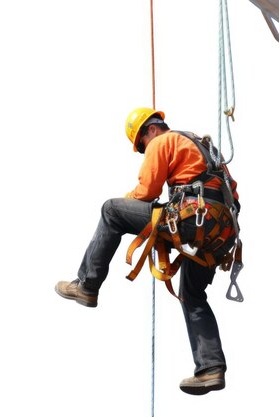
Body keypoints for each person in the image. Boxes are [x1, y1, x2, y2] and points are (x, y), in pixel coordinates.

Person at [55, 107, 240, 395]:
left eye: (141, 146)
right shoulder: (203, 148)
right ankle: (211, 368)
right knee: (192, 295)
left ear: (150, 131)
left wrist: (128, 204)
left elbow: (147, 191)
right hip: (220, 231)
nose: (145, 151)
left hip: (195, 217)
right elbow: (231, 193)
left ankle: (87, 285)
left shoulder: (162, 141)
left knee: (111, 211)